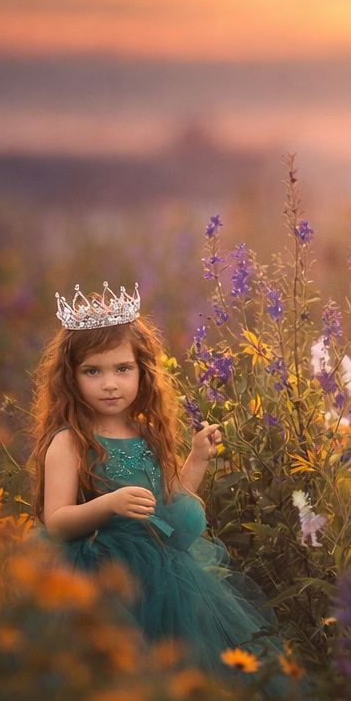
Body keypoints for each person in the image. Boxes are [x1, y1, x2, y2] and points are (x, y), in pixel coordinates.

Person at [29, 284, 275, 674]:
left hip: (162, 572)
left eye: (122, 369)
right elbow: (56, 521)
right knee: (111, 667)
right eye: (92, 371)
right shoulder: (69, 442)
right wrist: (108, 504)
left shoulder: (147, 433)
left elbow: (171, 500)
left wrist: (196, 457)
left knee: (175, 665)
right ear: (70, 377)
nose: (110, 383)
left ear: (143, 372)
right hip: (99, 574)